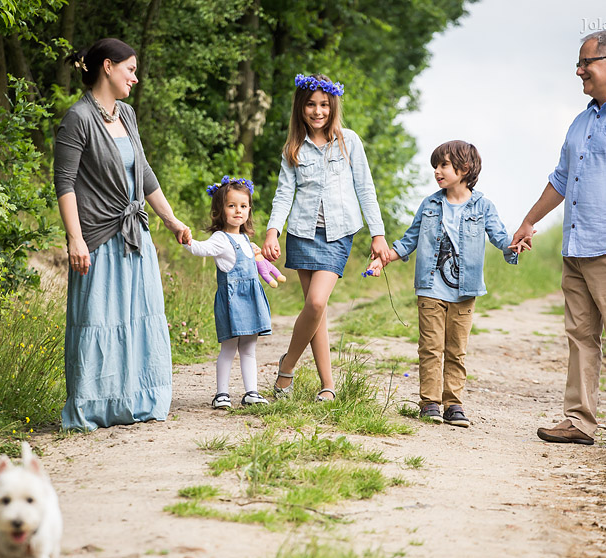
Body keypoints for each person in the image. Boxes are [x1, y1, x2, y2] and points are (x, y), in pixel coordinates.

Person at [509, 30, 606, 449]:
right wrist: (527, 222)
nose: (579, 71)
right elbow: (561, 179)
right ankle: (578, 421)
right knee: (580, 337)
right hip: (577, 247)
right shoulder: (582, 120)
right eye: (578, 64)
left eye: (585, 63)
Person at [53, 38, 192, 430]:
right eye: (130, 69)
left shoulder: (127, 115)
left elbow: (143, 174)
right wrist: (75, 238)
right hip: (98, 236)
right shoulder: (78, 118)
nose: (135, 77)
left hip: (135, 235)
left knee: (138, 319)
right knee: (100, 320)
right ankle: (95, 405)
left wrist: (171, 220)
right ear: (108, 67)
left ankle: (139, 399)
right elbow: (64, 183)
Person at [368, 141, 519, 426]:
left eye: (443, 165)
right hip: (430, 287)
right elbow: (410, 238)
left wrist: (516, 244)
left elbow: (500, 238)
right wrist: (383, 259)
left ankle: (453, 404)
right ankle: (430, 403)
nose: (437, 171)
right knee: (430, 347)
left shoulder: (483, 205)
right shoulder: (430, 204)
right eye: (435, 166)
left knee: (456, 349)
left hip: (465, 291)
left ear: (465, 169)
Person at [262, 73, 392, 402]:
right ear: (300, 107)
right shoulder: (293, 148)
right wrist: (272, 230)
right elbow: (283, 194)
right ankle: (328, 385)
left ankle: (287, 368)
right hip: (302, 234)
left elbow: (366, 189)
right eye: (310, 104)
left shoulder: (349, 141)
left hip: (337, 234)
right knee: (314, 310)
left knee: (317, 302)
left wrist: (378, 234)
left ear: (333, 105)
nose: (317, 111)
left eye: (323, 104)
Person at [183, 176, 279, 409]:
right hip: (232, 301)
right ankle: (222, 394)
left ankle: (251, 392)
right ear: (220, 210)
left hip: (251, 299)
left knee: (248, 348)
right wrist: (186, 240)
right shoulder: (220, 239)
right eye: (231, 205)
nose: (238, 211)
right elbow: (201, 248)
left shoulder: (246, 238)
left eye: (243, 206)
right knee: (228, 348)